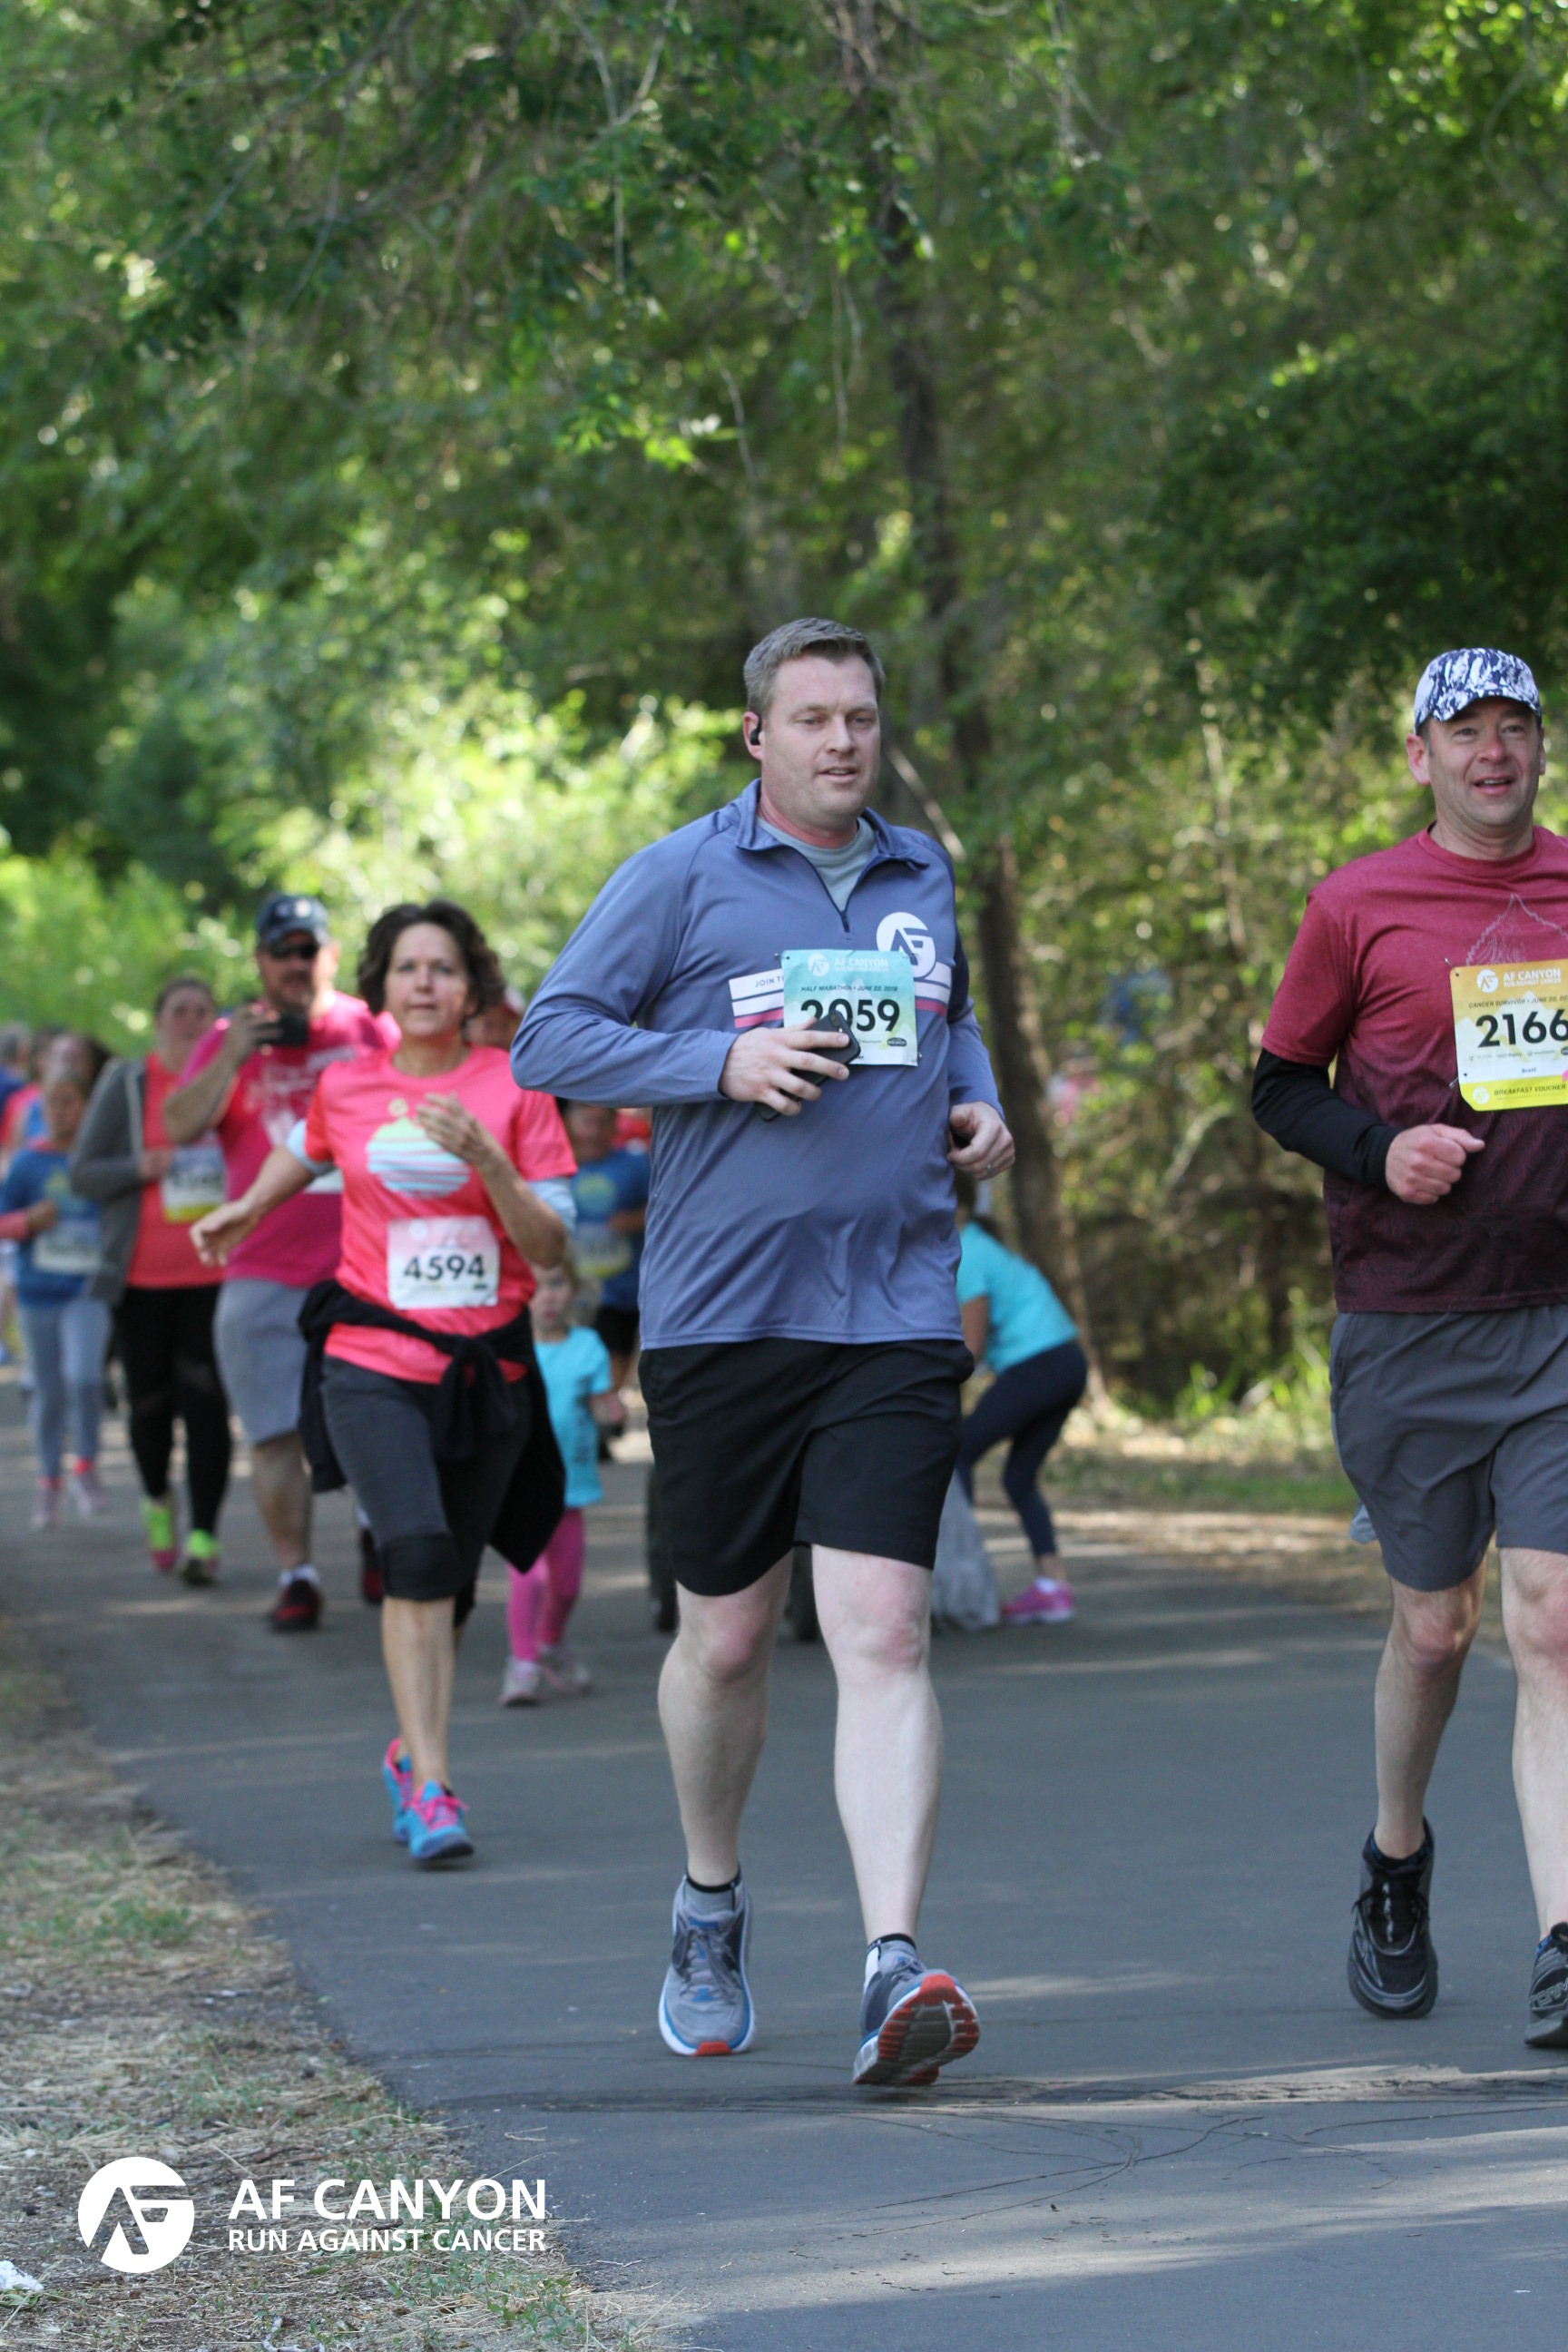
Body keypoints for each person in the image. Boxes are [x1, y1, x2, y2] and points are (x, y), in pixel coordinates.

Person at [513, 615, 1014, 2087]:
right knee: (726, 1640)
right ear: (757, 735)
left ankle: (889, 1963)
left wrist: (979, 1103)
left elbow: (948, 1027)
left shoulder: (922, 872)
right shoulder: (679, 876)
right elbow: (550, 1038)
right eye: (812, 718)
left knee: (885, 1631)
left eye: (860, 716)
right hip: (724, 1315)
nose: (842, 741)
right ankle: (710, 1901)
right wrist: (714, 1061)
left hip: (893, 1308)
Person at [1253, 646, 1568, 2049]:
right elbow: (1280, 1086)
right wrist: (1380, 1152)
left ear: (1540, 747)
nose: (1494, 752)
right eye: (1466, 731)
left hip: (1558, 1309)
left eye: (1516, 727)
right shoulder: (1358, 903)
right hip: (1409, 1312)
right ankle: (1395, 1859)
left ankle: (1564, 1941)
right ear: (1419, 754)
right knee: (1435, 1628)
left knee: (1554, 1619)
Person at [193, 898, 577, 1866]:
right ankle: (435, 1789)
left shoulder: (516, 1087)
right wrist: (245, 1209)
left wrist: (487, 1160)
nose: (424, 983)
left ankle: (411, 1751)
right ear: (382, 985)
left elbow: (549, 1245)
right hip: (372, 1359)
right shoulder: (350, 1085)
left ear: (471, 986)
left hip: (486, 1368)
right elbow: (304, 1149)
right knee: (412, 1552)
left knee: (448, 1578)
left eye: (443, 967)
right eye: (407, 967)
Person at [165, 895, 396, 1629]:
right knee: (271, 1433)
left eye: (308, 950)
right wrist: (232, 1055)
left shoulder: (370, 1027)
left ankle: (377, 1537)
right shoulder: (229, 1037)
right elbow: (177, 1124)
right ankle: (297, 1575)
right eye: (282, 952)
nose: (297, 965)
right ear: (261, 961)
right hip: (261, 1266)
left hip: (367, 1264)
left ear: (331, 956)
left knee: (377, 1416)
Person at [70, 975, 232, 1583]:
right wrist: (140, 1166)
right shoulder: (127, 1084)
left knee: (208, 1405)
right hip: (140, 1279)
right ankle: (158, 1498)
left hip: (214, 1274)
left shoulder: (228, 1083)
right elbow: (83, 1172)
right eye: (179, 1010)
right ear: (158, 1019)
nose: (190, 1021)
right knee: (150, 1407)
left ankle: (204, 1536)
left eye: (202, 1012)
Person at [953, 1176, 1088, 1624]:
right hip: (1067, 1360)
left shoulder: (967, 1251)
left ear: (957, 1207)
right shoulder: (979, 1244)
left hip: (1041, 1363)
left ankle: (965, 1580)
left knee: (957, 1453)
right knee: (1018, 1478)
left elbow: (971, 1350)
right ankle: (1054, 1586)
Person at [500, 1253, 624, 1705]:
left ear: (573, 1290)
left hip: (570, 1486)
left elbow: (602, 1404)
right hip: (521, 1485)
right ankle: (523, 1662)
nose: (546, 1297)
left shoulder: (586, 1346)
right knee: (528, 1577)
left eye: (555, 1284)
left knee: (567, 1586)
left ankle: (549, 1641)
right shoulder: (509, 1347)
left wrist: (610, 1412)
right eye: (534, 1287)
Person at [0, 1057, 109, 1525]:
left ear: (86, 1107)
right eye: (53, 1103)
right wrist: (28, 1221)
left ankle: (85, 1466)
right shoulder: (27, 1163)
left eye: (70, 1102)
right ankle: (49, 1482)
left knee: (84, 1378)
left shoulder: (97, 1160)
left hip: (87, 1290)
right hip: (37, 1293)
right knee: (47, 1393)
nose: (61, 1111)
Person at [559, 1101, 649, 1395]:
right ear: (569, 1123)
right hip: (569, 1290)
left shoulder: (636, 1164)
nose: (594, 1132)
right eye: (587, 1122)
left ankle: (603, 1408)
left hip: (622, 1290)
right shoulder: (554, 1165)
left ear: (614, 1126)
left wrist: (633, 1220)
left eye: (602, 1123)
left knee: (615, 1362)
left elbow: (666, 1209)